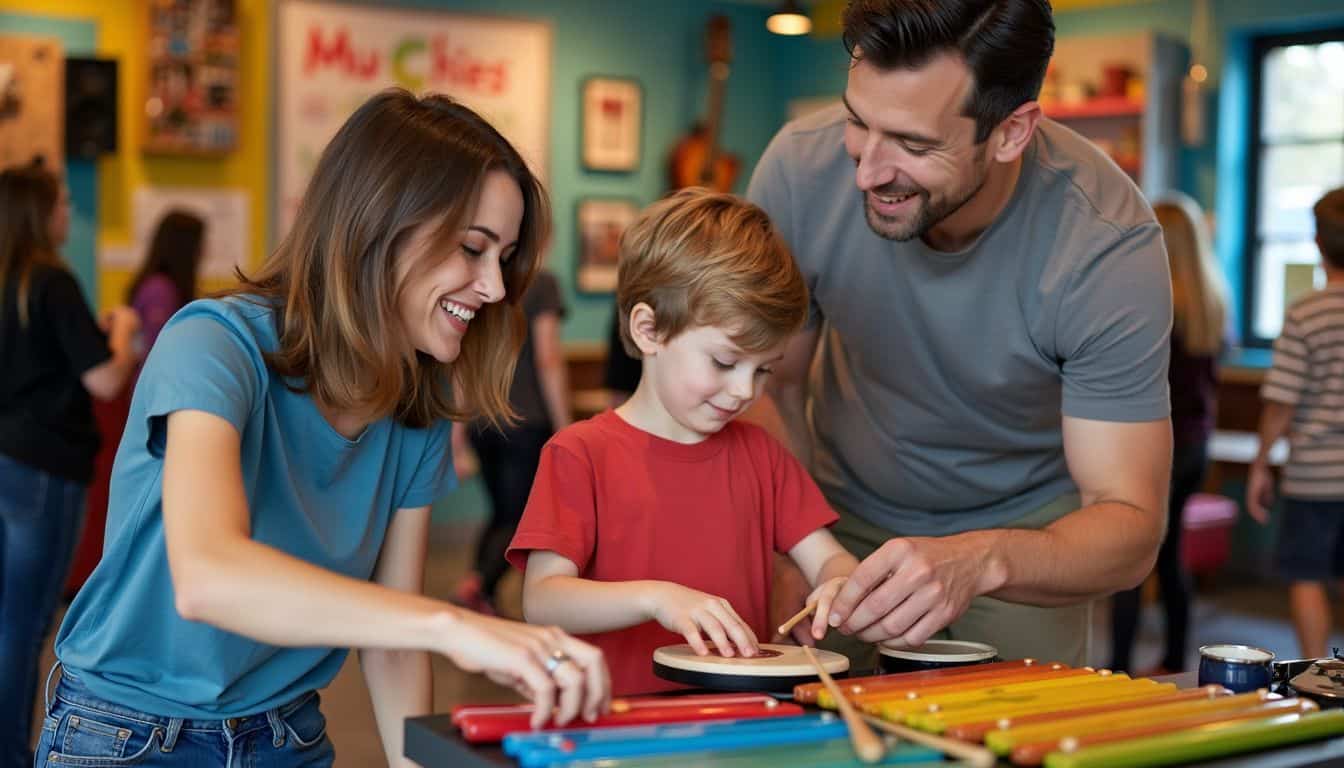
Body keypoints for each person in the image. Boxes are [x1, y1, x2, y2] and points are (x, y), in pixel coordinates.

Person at [42, 90, 609, 768]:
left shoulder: (416, 407)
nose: (492, 286)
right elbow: (208, 576)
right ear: (379, 226)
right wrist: (454, 625)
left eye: (504, 257)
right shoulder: (212, 347)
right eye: (472, 248)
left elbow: (393, 642)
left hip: (288, 737)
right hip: (127, 736)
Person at [746, 0, 1173, 668]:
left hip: (1026, 540)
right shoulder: (798, 168)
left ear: (1010, 132)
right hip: (831, 522)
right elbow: (770, 384)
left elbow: (1130, 526)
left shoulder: (1107, 243)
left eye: (914, 145)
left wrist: (982, 560)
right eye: (858, 123)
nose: (865, 173)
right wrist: (791, 543)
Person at [507, 188, 859, 696]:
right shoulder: (579, 454)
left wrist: (837, 583)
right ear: (649, 330)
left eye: (763, 370)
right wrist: (658, 599)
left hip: (738, 727)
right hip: (618, 731)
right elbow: (542, 598)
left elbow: (829, 557)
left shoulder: (761, 454)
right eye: (723, 362)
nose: (744, 391)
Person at [0, 163, 140, 768]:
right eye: (59, 202)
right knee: (25, 625)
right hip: (42, 468)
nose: (66, 212)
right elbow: (105, 378)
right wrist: (126, 329)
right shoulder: (50, 281)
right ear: (38, 212)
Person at [1110, 193, 1227, 674]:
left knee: (1129, 562)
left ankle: (1117, 665)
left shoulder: (1151, 302)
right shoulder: (1213, 301)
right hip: (1197, 445)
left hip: (1154, 447)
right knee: (1171, 554)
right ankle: (1177, 658)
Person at [1248, 186, 1344, 660]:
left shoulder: (1304, 313)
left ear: (1318, 242)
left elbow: (1281, 401)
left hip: (1314, 477)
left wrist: (1261, 463)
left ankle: (1318, 677)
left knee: (1307, 576)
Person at [453, 266, 571, 615]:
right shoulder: (543, 282)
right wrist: (565, 426)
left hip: (480, 420)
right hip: (526, 420)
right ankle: (478, 584)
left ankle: (480, 593)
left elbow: (461, 360)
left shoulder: (477, 280)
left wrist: (457, 433)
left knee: (504, 513)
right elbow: (548, 357)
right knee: (518, 517)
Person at [127, 209, 206, 353]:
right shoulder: (160, 290)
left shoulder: (162, 286)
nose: (205, 251)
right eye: (200, 244)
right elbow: (158, 348)